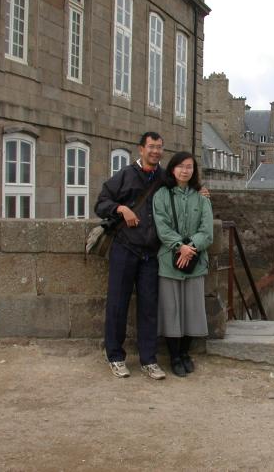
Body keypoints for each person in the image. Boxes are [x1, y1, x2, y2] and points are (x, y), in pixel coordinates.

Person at [94, 131, 167, 380]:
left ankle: (149, 359)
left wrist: (201, 193)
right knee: (117, 304)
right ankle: (115, 356)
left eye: (159, 147)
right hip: (125, 248)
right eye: (151, 147)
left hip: (151, 252)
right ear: (141, 149)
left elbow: (182, 192)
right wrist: (121, 208)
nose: (155, 151)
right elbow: (101, 203)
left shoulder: (163, 177)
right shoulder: (125, 175)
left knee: (149, 307)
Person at [152, 151, 213, 377]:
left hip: (195, 262)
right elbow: (162, 227)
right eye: (181, 166)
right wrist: (181, 247)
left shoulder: (201, 197)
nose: (185, 170)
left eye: (189, 167)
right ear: (172, 169)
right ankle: (174, 356)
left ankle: (185, 353)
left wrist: (191, 248)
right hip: (169, 261)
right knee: (171, 310)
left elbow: (207, 231)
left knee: (191, 310)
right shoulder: (162, 195)